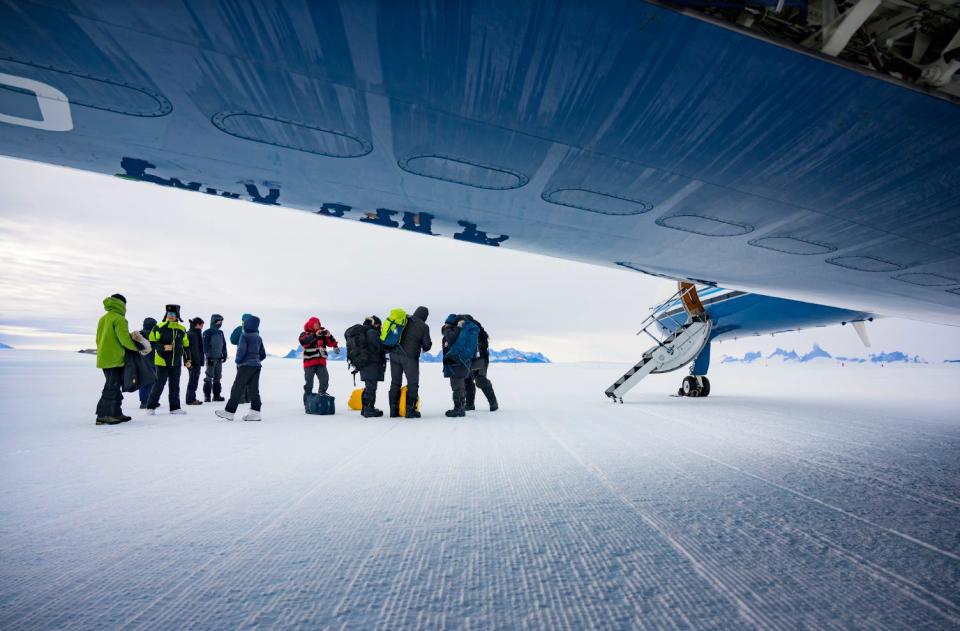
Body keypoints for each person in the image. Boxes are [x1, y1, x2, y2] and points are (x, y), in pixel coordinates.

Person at [94, 293, 140, 425]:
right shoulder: (120, 319)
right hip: (115, 359)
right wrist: (137, 349)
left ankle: (116, 413)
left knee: (113, 385)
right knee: (112, 386)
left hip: (104, 358)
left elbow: (98, 339)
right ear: (122, 304)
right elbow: (124, 340)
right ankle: (103, 415)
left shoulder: (103, 318)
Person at [216, 314, 265, 421]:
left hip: (245, 365)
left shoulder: (244, 335)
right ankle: (255, 412)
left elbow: (241, 351)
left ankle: (229, 412)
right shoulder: (258, 337)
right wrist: (256, 360)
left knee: (237, 387)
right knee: (254, 389)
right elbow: (263, 354)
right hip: (256, 366)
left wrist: (238, 361)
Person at [146, 304, 191, 415]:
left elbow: (186, 346)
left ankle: (175, 408)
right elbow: (151, 342)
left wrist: (187, 360)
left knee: (175, 385)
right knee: (159, 384)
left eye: (173, 314)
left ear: (177, 315)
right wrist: (163, 347)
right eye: (169, 314)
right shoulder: (159, 327)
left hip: (176, 362)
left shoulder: (182, 329)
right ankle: (151, 407)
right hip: (161, 362)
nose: (171, 316)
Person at [388, 306, 431, 418]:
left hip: (394, 354)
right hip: (409, 357)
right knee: (412, 384)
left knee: (395, 382)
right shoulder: (424, 326)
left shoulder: (404, 318)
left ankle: (393, 410)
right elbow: (426, 345)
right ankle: (410, 410)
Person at [441, 314, 476, 418]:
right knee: (459, 385)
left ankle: (459, 409)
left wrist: (447, 328)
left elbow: (451, 339)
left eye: (447, 323)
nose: (445, 325)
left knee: (457, 386)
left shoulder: (455, 330)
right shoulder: (460, 330)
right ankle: (460, 407)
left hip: (456, 362)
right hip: (461, 362)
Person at [299, 317, 339, 406]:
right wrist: (315, 335)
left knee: (324, 380)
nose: (317, 325)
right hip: (309, 363)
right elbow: (303, 342)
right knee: (309, 383)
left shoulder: (322, 334)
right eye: (315, 323)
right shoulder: (305, 334)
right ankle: (307, 402)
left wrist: (330, 336)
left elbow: (331, 343)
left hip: (321, 363)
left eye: (318, 323)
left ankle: (321, 397)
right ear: (311, 324)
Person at [461, 315, 498, 412]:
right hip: (471, 358)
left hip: (481, 358)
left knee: (480, 380)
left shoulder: (475, 329)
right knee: (467, 380)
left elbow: (482, 345)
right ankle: (469, 404)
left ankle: (493, 403)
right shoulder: (469, 329)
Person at [358, 315, 386, 417]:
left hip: (365, 363)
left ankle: (365, 408)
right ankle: (369, 409)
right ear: (374, 324)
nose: (379, 326)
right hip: (372, 363)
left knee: (368, 386)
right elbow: (380, 346)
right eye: (378, 324)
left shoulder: (365, 332)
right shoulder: (372, 332)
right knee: (371, 387)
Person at [202, 314, 228, 402]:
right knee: (209, 376)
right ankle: (207, 396)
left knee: (218, 376)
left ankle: (216, 395)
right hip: (211, 358)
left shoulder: (221, 332)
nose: (219, 323)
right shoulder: (207, 332)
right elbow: (205, 346)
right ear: (213, 321)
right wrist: (208, 356)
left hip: (219, 358)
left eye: (221, 321)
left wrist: (224, 354)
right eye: (218, 321)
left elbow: (224, 344)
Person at [229, 313, 252, 404]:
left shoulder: (239, 329)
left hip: (241, 358)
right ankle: (248, 398)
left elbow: (233, 340)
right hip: (251, 359)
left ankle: (240, 398)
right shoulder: (255, 330)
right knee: (250, 378)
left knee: (240, 378)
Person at [137, 317, 157, 409]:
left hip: (141, 361)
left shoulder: (139, 334)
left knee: (144, 382)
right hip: (153, 361)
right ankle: (147, 401)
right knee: (152, 381)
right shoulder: (154, 334)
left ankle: (144, 401)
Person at [185, 317, 205, 405]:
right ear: (197, 324)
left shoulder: (195, 333)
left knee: (193, 380)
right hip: (193, 362)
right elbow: (192, 350)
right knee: (193, 380)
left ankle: (191, 398)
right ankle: (190, 399)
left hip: (194, 361)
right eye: (202, 325)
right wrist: (191, 361)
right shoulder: (192, 334)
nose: (202, 327)